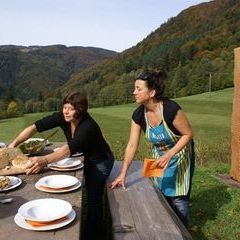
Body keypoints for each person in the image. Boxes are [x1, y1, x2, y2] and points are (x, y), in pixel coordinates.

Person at [8, 91, 114, 238]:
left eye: (70, 108)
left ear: (80, 110)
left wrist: (44, 160)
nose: (66, 111)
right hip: (88, 157)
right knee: (88, 190)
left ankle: (95, 231)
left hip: (101, 161)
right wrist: (13, 144)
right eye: (65, 107)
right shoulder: (62, 117)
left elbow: (68, 149)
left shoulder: (87, 126)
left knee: (93, 196)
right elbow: (35, 127)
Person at [110, 70, 195, 228]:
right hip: (158, 155)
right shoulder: (138, 115)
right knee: (157, 193)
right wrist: (123, 174)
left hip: (180, 154)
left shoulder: (171, 109)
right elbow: (132, 145)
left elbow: (188, 134)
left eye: (138, 88)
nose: (134, 92)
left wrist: (170, 154)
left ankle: (182, 231)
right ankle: (162, 229)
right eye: (134, 88)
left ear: (152, 92)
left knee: (179, 200)